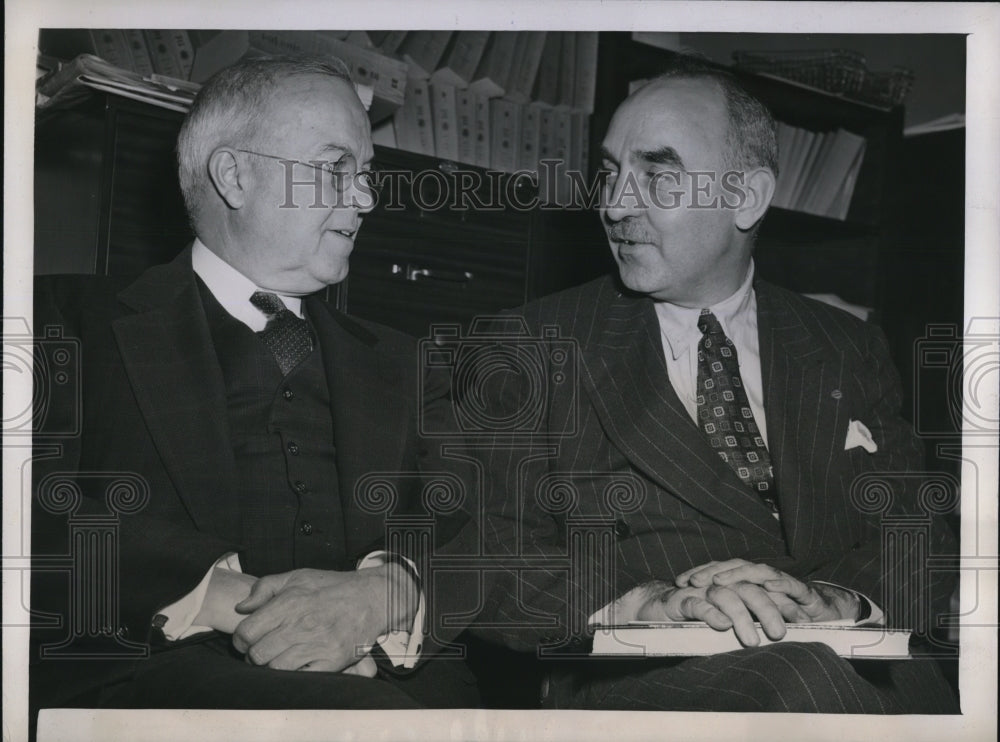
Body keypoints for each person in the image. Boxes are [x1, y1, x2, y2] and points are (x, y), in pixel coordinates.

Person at [470, 56, 959, 712]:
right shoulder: (533, 343)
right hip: (648, 678)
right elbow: (481, 546)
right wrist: (645, 605)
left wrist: (835, 603)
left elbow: (915, 532)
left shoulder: (847, 344)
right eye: (612, 172)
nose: (614, 204)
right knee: (803, 688)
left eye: (658, 174)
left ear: (746, 197)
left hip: (855, 671)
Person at [30, 55, 478, 720]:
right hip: (148, 684)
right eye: (336, 169)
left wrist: (389, 591)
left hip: (392, 688)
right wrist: (225, 598)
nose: (366, 200)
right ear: (235, 176)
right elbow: (25, 508)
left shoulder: (406, 362)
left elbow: (482, 524)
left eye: (366, 175)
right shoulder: (62, 321)